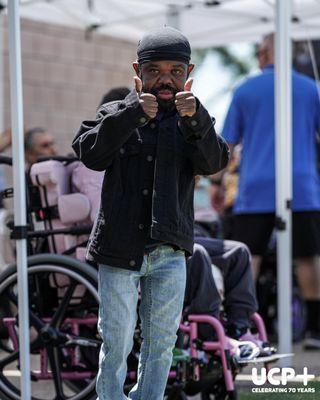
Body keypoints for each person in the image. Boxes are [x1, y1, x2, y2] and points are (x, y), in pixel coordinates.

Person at [72, 26, 229, 400]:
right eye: (155, 70)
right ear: (137, 71)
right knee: (117, 343)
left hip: (169, 250)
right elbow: (88, 151)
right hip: (118, 249)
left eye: (175, 71)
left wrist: (198, 119)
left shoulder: (193, 121)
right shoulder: (115, 111)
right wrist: (130, 113)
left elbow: (215, 161)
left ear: (188, 73)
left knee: (160, 346)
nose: (165, 79)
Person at [220, 33, 320, 349]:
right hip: (301, 185)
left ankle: (248, 325)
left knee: (250, 257)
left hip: (256, 184)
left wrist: (214, 182)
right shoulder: (309, 89)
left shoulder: (246, 89)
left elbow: (227, 143)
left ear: (264, 54)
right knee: (307, 258)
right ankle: (316, 330)